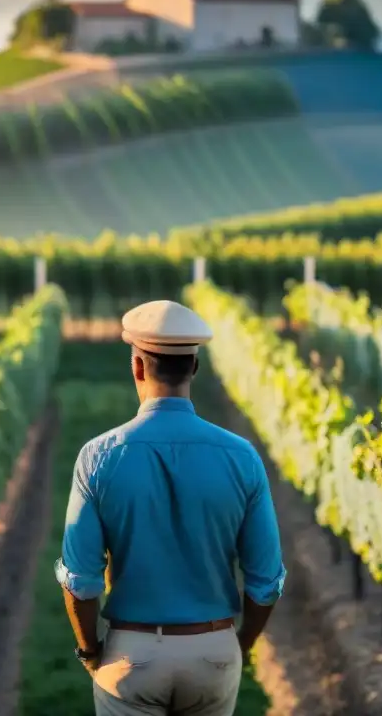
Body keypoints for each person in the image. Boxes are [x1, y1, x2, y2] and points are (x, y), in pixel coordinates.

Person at [55, 299, 286, 716]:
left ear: (137, 367)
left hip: (132, 653)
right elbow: (265, 579)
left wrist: (90, 651)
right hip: (213, 651)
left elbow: (80, 580)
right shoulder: (242, 457)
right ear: (194, 368)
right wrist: (241, 646)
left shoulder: (98, 457)